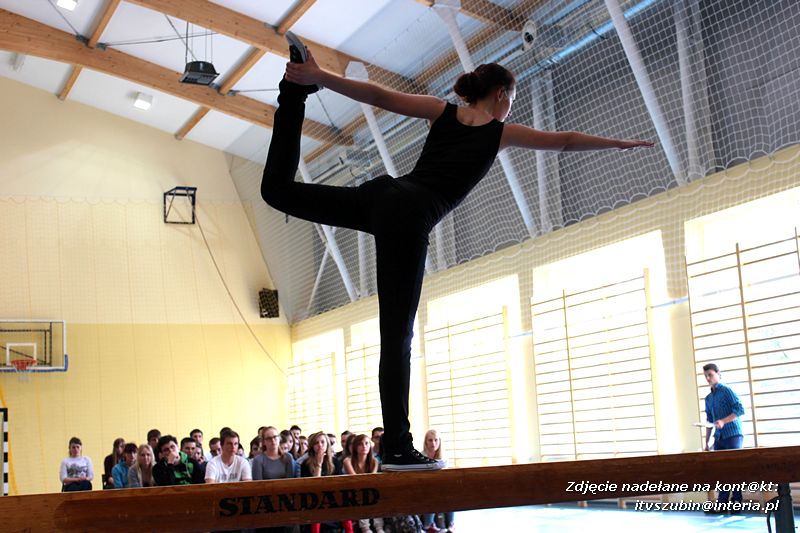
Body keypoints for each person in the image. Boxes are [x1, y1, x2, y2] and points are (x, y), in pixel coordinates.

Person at [265, 33, 652, 471]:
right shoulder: (501, 132)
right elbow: (562, 140)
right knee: (397, 339)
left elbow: (378, 96)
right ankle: (395, 446)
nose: (511, 107)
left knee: (277, 191)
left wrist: (318, 76)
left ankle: (294, 92)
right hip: (409, 218)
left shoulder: (441, 111)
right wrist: (617, 143)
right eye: (512, 99)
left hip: (384, 198)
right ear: (503, 95)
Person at [703, 363, 746, 511]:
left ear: (718, 373)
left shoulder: (727, 390)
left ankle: (736, 502)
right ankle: (722, 503)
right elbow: (709, 421)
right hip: (719, 437)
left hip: (733, 435)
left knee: (734, 470)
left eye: (710, 374)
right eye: (706, 376)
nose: (708, 378)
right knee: (721, 471)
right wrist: (707, 443)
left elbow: (740, 409)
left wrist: (723, 421)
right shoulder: (708, 398)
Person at [301, 432, 352, 533]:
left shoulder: (335, 461)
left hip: (332, 497)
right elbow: (312, 486)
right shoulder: (305, 464)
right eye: (316, 443)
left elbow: (340, 483)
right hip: (314, 498)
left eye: (322, 442)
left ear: (327, 444)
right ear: (312, 446)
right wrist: (319, 465)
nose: (320, 445)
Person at [252, 426, 297, 533]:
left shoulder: (288, 458)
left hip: (285, 503)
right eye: (268, 438)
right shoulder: (258, 460)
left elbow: (290, 483)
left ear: (279, 438)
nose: (273, 440)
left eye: (275, 437)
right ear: (263, 442)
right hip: (265, 504)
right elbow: (258, 486)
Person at [343, 435, 383, 533]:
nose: (364, 446)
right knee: (363, 494)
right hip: (353, 491)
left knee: (374, 494)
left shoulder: (374, 461)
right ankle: (365, 528)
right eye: (360, 444)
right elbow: (356, 480)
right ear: (355, 447)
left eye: (366, 443)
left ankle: (379, 528)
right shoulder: (348, 461)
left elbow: (373, 480)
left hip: (370, 490)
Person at [420, 430, 453, 532]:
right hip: (424, 488)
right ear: (426, 442)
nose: (433, 443)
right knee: (433, 494)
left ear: (439, 441)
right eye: (430, 440)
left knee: (450, 495)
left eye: (436, 440)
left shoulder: (444, 458)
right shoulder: (420, 456)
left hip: (440, 487)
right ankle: (428, 524)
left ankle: (451, 524)